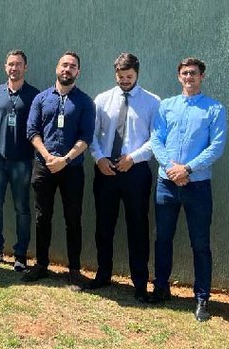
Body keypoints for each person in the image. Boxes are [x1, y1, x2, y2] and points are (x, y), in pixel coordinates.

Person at [150, 57, 227, 322]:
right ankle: (161, 288)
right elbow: (156, 139)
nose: (188, 77)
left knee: (200, 243)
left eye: (193, 73)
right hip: (166, 183)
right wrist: (171, 168)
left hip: (198, 186)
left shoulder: (214, 109)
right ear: (178, 76)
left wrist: (188, 169)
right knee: (163, 238)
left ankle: (202, 298)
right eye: (184, 73)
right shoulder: (166, 106)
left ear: (202, 76)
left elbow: (216, 146)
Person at [85, 53, 160, 302]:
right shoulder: (102, 99)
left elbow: (156, 139)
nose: (125, 80)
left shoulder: (152, 102)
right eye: (121, 76)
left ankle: (140, 283)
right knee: (104, 226)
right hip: (106, 169)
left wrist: (133, 158)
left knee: (137, 227)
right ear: (115, 74)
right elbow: (91, 134)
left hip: (135, 171)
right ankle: (103, 274)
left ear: (137, 73)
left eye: (129, 76)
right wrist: (99, 158)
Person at [22, 51, 94, 290]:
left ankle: (74, 271)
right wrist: (48, 157)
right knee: (42, 217)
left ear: (78, 72)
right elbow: (32, 131)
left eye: (72, 66)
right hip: (43, 167)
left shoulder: (85, 101)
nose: (67, 69)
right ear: (57, 68)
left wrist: (66, 159)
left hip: (72, 169)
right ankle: (41, 264)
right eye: (64, 65)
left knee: (73, 219)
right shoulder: (41, 98)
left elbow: (86, 136)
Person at [0, 49, 40, 272]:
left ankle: (20, 254)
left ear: (25, 67)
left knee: (22, 207)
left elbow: (37, 126)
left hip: (22, 160)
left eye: (18, 64)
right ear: (6, 67)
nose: (14, 68)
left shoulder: (34, 95)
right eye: (11, 64)